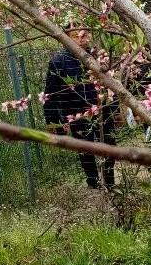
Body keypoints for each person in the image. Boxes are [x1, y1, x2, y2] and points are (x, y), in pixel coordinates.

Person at [43, 31, 116, 190]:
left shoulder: (98, 56)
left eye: (84, 35)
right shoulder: (58, 61)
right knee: (85, 149)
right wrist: (53, 120)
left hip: (102, 109)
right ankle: (93, 182)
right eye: (76, 35)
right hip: (75, 112)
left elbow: (112, 84)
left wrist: (115, 109)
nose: (81, 39)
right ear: (66, 38)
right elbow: (50, 94)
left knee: (110, 144)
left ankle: (110, 182)